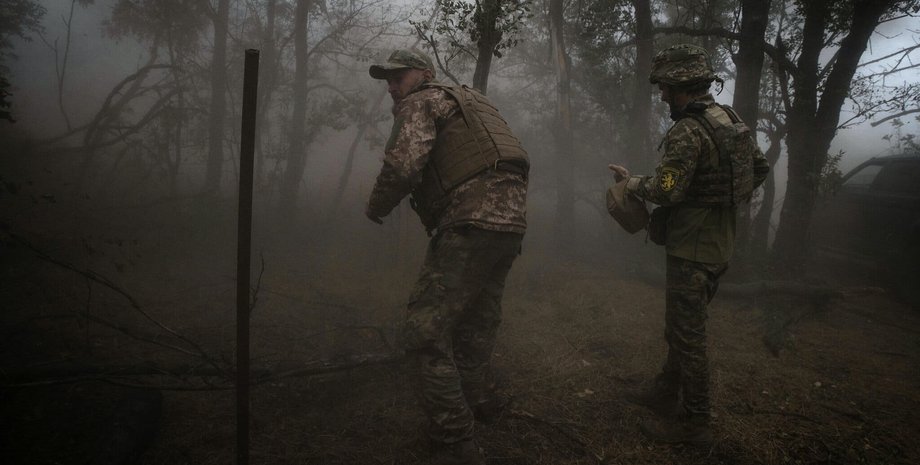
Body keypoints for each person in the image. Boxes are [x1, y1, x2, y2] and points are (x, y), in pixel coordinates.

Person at [365, 49, 529, 465]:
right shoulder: (470, 101)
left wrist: (376, 207)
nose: (391, 86)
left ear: (423, 74)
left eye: (397, 77)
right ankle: (477, 401)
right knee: (477, 319)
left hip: (469, 222)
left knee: (424, 332)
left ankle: (455, 442)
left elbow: (403, 168)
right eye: (387, 79)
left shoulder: (422, 100)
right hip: (509, 223)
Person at [608, 44, 769, 445]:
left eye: (664, 87)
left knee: (688, 337)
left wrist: (631, 184)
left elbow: (669, 188)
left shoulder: (688, 129)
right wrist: (722, 201)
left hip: (692, 249)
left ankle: (697, 425)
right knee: (681, 329)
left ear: (681, 84)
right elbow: (760, 168)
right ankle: (665, 392)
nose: (662, 95)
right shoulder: (727, 119)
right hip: (718, 246)